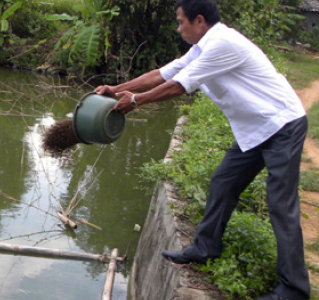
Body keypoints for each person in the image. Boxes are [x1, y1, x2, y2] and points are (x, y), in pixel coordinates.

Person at [95, 0, 310, 299]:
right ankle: (206, 247)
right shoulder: (201, 48)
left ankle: (293, 289)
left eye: (181, 22)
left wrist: (136, 101)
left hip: (282, 125)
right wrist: (116, 89)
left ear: (199, 20)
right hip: (256, 129)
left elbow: (180, 86)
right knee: (223, 182)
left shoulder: (223, 44)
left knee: (280, 205)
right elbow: (162, 75)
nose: (178, 28)